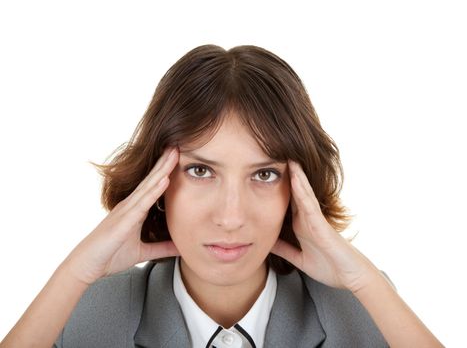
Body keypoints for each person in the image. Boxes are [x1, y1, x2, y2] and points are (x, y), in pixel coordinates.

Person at [0, 45, 443, 348]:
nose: (231, 217)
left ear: (298, 189)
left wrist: (366, 282)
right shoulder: (89, 310)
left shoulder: (360, 307)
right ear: (157, 182)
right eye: (200, 170)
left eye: (265, 174)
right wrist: (75, 273)